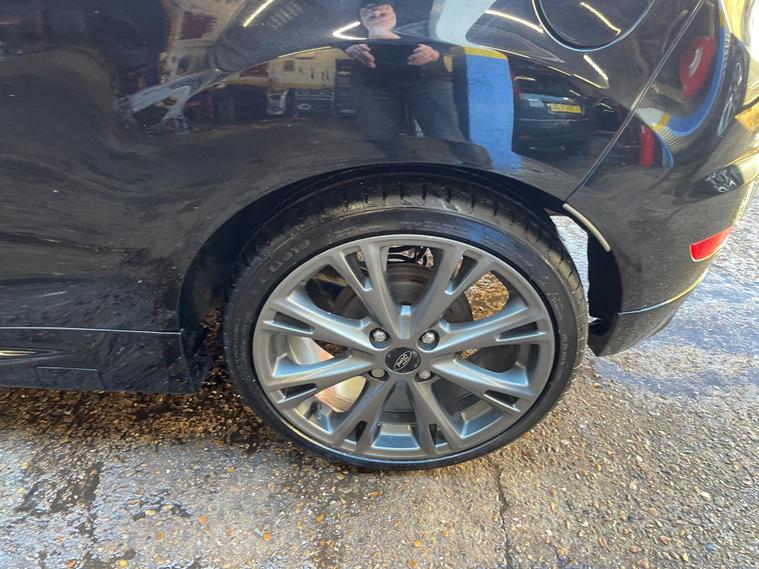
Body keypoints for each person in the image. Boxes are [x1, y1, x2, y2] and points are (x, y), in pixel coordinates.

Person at [344, 1, 488, 165]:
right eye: (371, 11)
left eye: (382, 11)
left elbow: (450, 28)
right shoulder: (348, 12)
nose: (376, 13)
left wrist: (437, 50)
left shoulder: (423, 8)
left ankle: (479, 169)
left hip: (426, 76)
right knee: (377, 133)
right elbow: (332, 24)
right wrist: (348, 46)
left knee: (448, 133)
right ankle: (406, 165)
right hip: (371, 79)